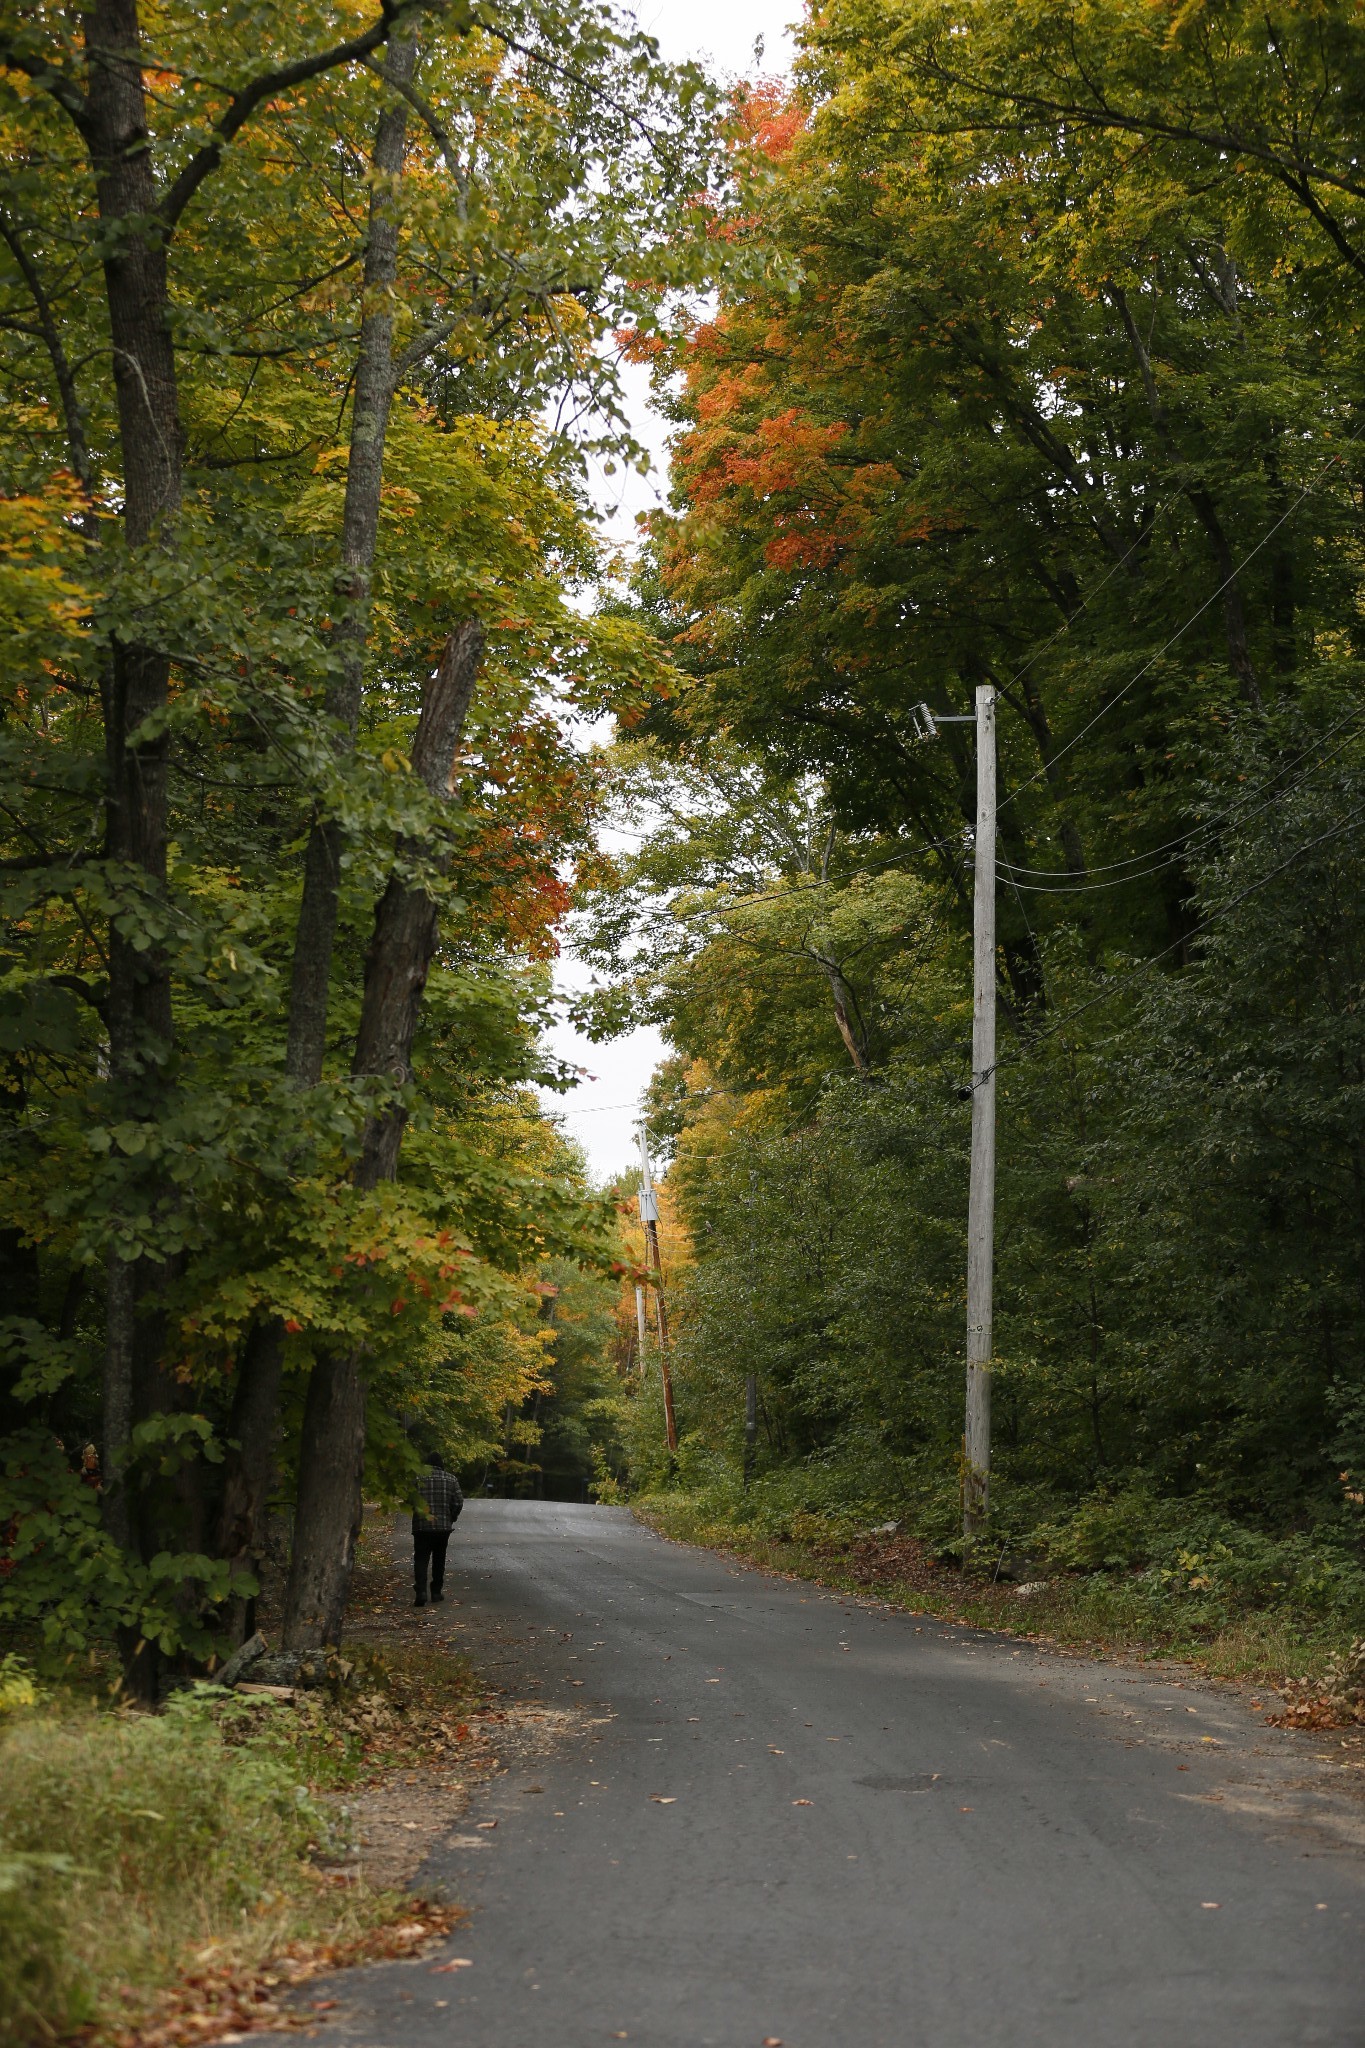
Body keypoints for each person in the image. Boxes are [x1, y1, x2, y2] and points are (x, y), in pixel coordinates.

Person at [412, 1451, 463, 1606]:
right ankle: (436, 1592)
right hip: (442, 1528)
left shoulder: (417, 1479)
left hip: (422, 1527)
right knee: (439, 1559)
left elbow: (409, 1499)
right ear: (442, 1464)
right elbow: (458, 1502)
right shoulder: (451, 1479)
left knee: (421, 1559)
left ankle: (421, 1591)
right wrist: (451, 1517)